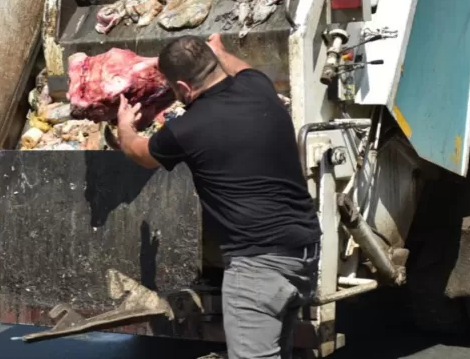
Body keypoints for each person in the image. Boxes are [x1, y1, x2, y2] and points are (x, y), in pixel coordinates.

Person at [117, 34, 321, 359]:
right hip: (303, 255)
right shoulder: (259, 87)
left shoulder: (188, 130)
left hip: (258, 268)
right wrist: (220, 50)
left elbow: (138, 152)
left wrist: (125, 126)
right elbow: (242, 69)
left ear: (183, 87)